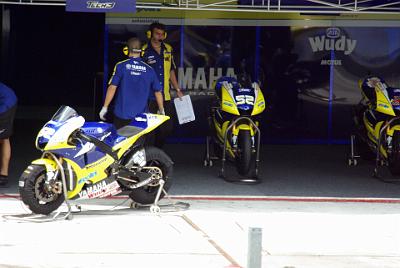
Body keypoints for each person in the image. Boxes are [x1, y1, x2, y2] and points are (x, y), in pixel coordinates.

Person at [99, 37, 164, 130]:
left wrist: (105, 107)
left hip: (121, 115)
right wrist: (161, 109)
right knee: (138, 144)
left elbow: (112, 87)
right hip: (141, 117)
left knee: (121, 143)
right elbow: (158, 92)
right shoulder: (150, 70)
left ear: (126, 50)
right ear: (141, 51)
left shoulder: (121, 66)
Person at [142, 22, 184, 148]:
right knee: (149, 129)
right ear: (150, 34)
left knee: (166, 127)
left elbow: (171, 70)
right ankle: (150, 154)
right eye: (157, 33)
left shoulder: (168, 49)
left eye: (162, 34)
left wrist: (177, 89)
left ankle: (158, 151)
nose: (159, 36)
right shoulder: (144, 50)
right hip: (149, 97)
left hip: (165, 96)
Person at [0, 82, 17, 187]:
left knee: (4, 138)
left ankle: (3, 175)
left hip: (5, 103)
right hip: (8, 99)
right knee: (4, 138)